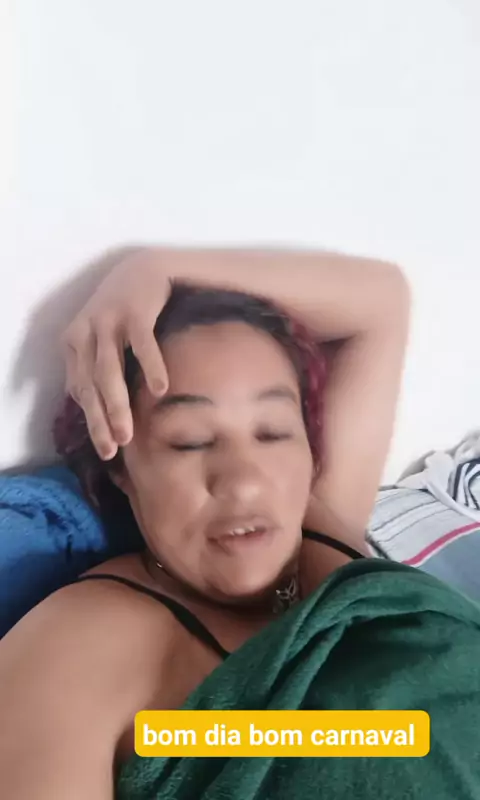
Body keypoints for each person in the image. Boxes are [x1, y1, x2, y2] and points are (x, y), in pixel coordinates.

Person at [1, 247, 479, 800]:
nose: (246, 483)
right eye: (190, 441)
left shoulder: (323, 530)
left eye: (273, 432)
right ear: (120, 468)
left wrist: (157, 268)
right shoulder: (79, 647)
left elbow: (379, 300)